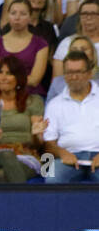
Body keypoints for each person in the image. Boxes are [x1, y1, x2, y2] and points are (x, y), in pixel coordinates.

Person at [0, 55, 46, 180]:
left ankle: (13, 200)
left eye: (9, 73)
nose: (3, 77)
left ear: (19, 78)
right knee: (6, 155)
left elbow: (40, 144)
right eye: (0, 72)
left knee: (3, 175)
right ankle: (28, 200)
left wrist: (35, 134)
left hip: (26, 156)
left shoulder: (34, 101)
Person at [42, 48, 99, 180]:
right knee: (49, 175)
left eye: (79, 72)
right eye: (69, 72)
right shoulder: (54, 104)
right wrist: (62, 153)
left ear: (90, 73)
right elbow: (48, 143)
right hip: (67, 157)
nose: (74, 77)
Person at [0, 0, 52, 94]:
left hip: (31, 95)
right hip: (3, 94)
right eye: (13, 13)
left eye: (23, 14)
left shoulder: (41, 44)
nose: (17, 17)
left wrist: (8, 80)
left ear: (29, 17)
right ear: (8, 16)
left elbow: (34, 80)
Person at [54, 0, 99, 77]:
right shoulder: (66, 43)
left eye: (93, 14)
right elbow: (57, 80)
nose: (88, 17)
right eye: (84, 14)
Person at [48, 33, 97, 99]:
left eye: (84, 49)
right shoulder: (57, 83)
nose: (79, 53)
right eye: (74, 50)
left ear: (93, 54)